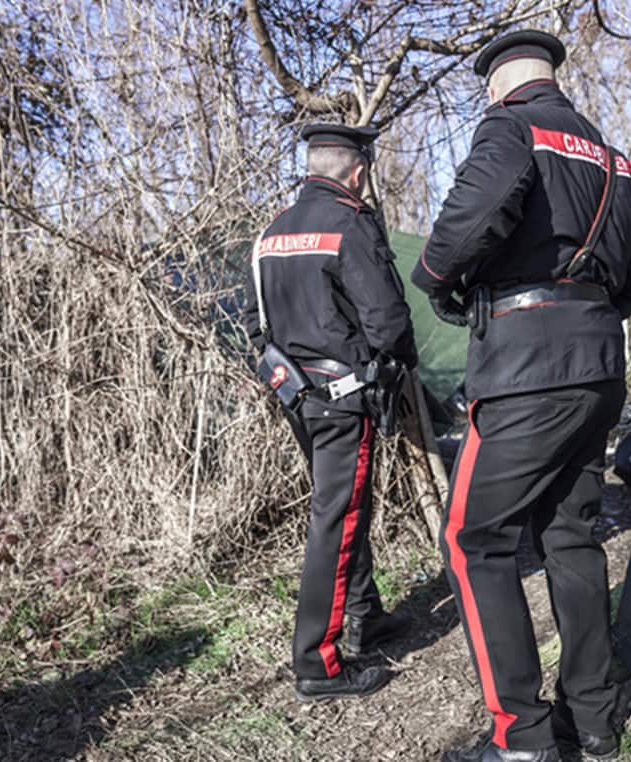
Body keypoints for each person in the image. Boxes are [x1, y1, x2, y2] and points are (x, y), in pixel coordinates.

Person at [411, 30, 631, 762]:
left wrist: (435, 282)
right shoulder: (612, 157)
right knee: (569, 534)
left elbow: (471, 217)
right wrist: (586, 312)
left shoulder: (509, 126)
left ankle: (520, 738)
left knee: (473, 539)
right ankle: (593, 720)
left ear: (497, 85)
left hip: (526, 370)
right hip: (598, 368)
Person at [242, 123, 419, 702]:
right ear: (357, 173)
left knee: (342, 508)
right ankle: (316, 663)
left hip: (296, 395)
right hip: (344, 395)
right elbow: (387, 321)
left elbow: (255, 324)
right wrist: (400, 368)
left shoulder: (270, 234)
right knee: (336, 519)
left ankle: (365, 615)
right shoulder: (350, 224)